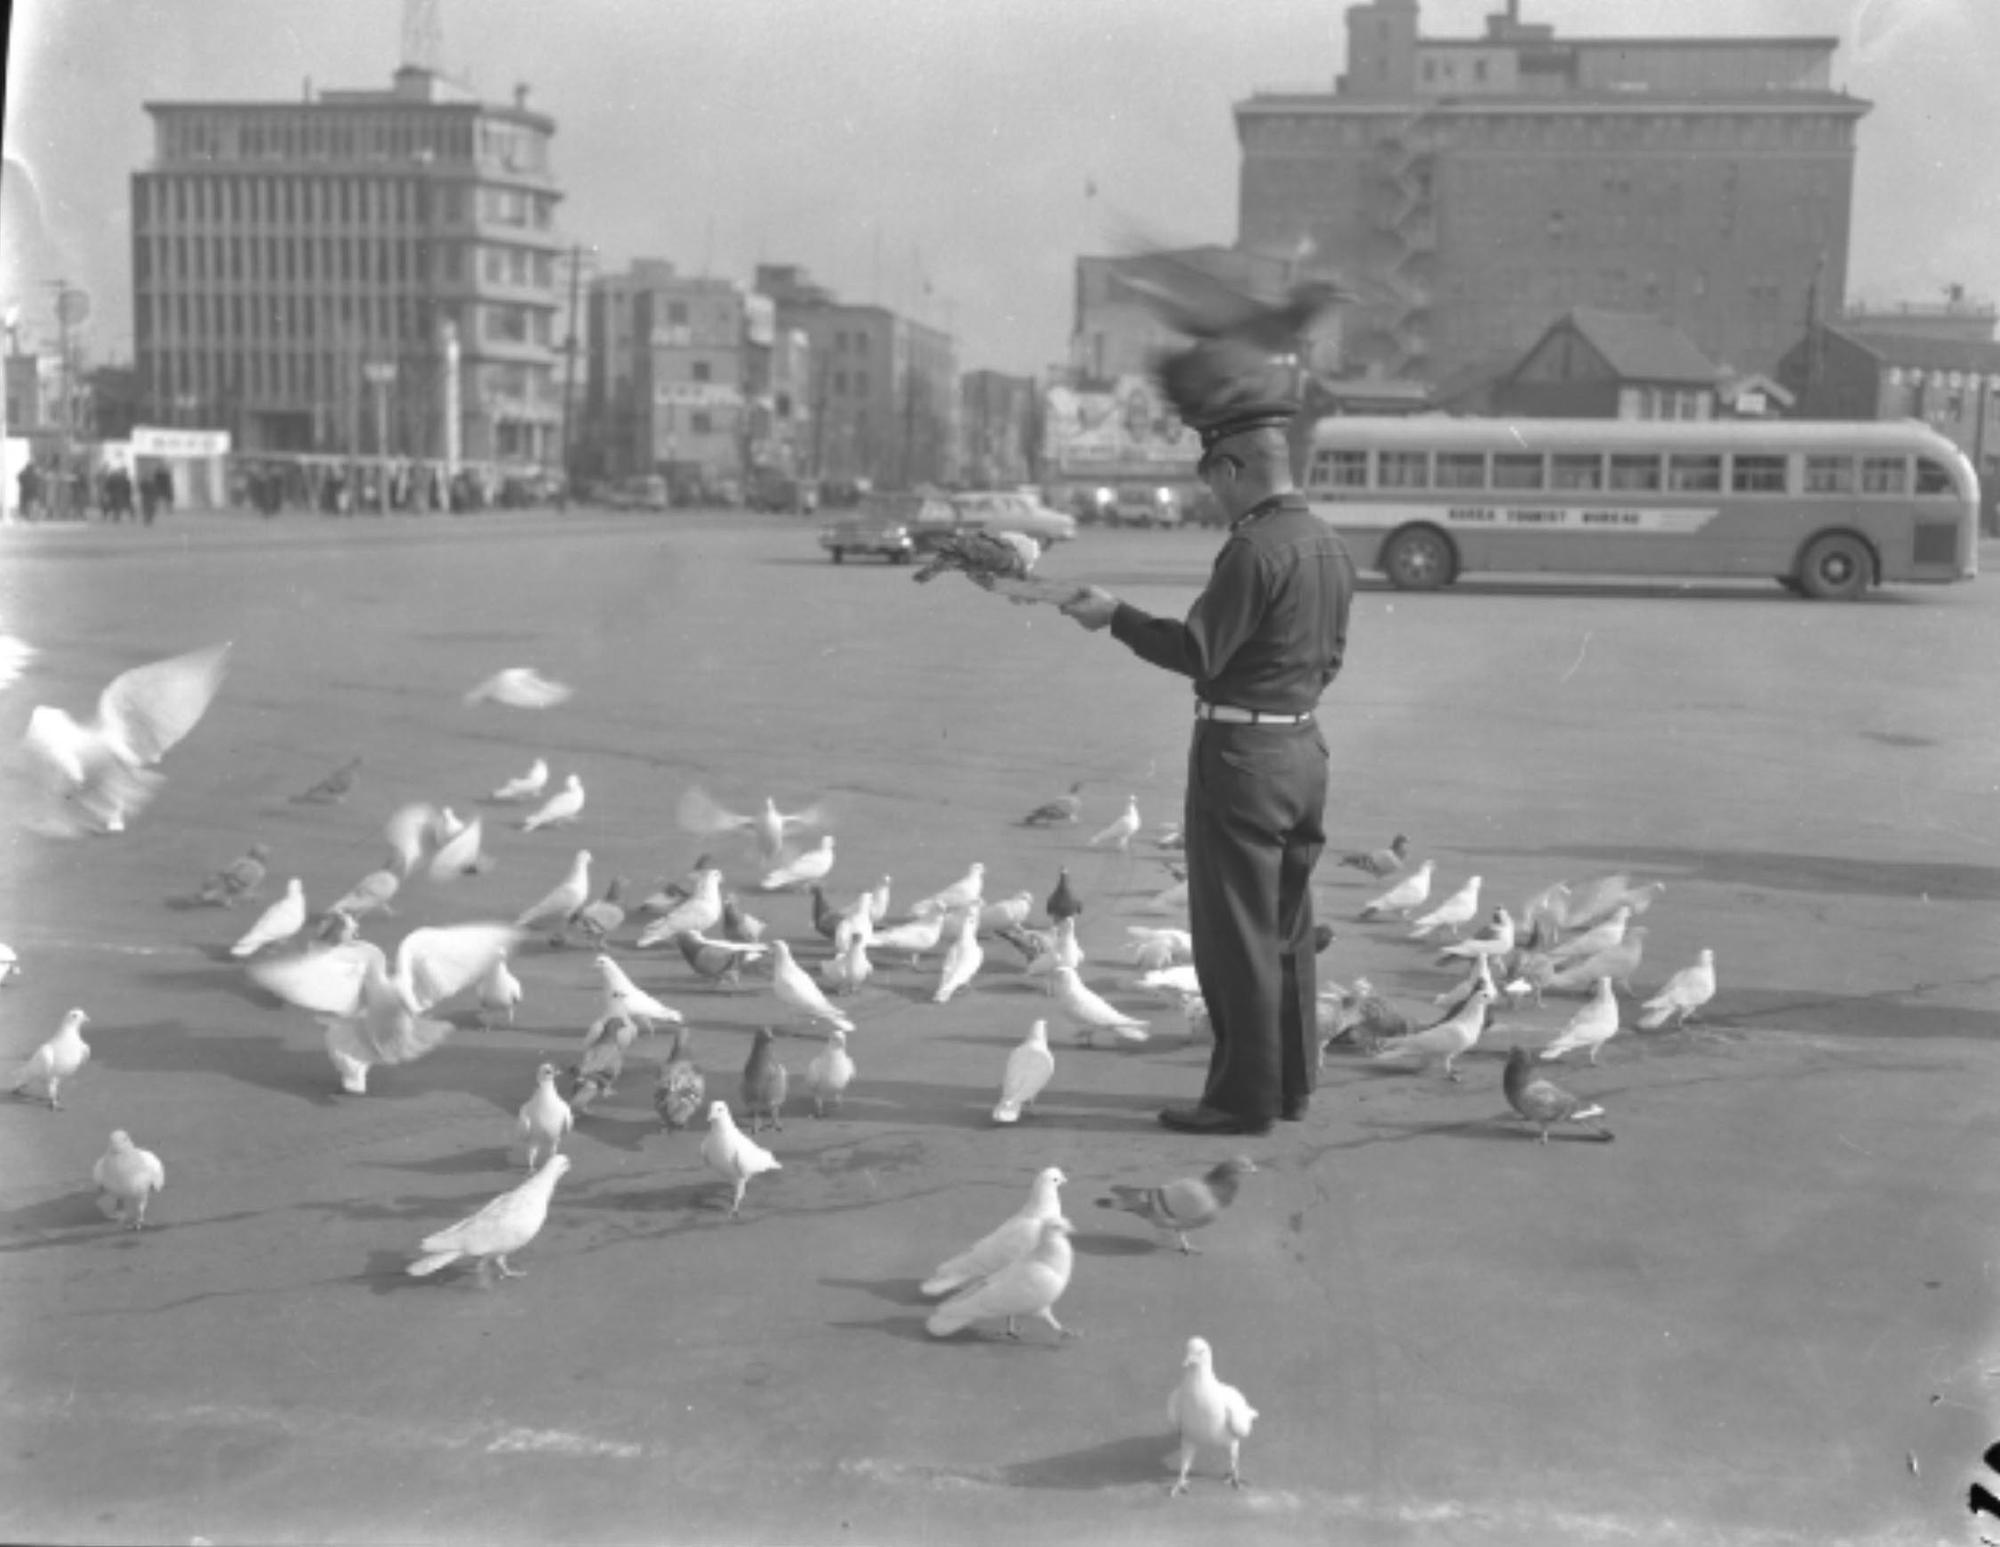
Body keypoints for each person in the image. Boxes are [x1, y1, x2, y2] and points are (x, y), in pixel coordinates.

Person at [1057, 373, 1354, 1137]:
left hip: (1243, 756)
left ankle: (1239, 1099)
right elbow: (1332, 657)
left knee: (1236, 937)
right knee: (1287, 925)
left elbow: (1198, 648)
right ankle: (1290, 1085)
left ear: (1232, 468)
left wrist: (1115, 617)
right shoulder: (1325, 540)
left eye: (1212, 483)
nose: (1212, 502)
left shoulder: (1253, 549)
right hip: (1303, 748)